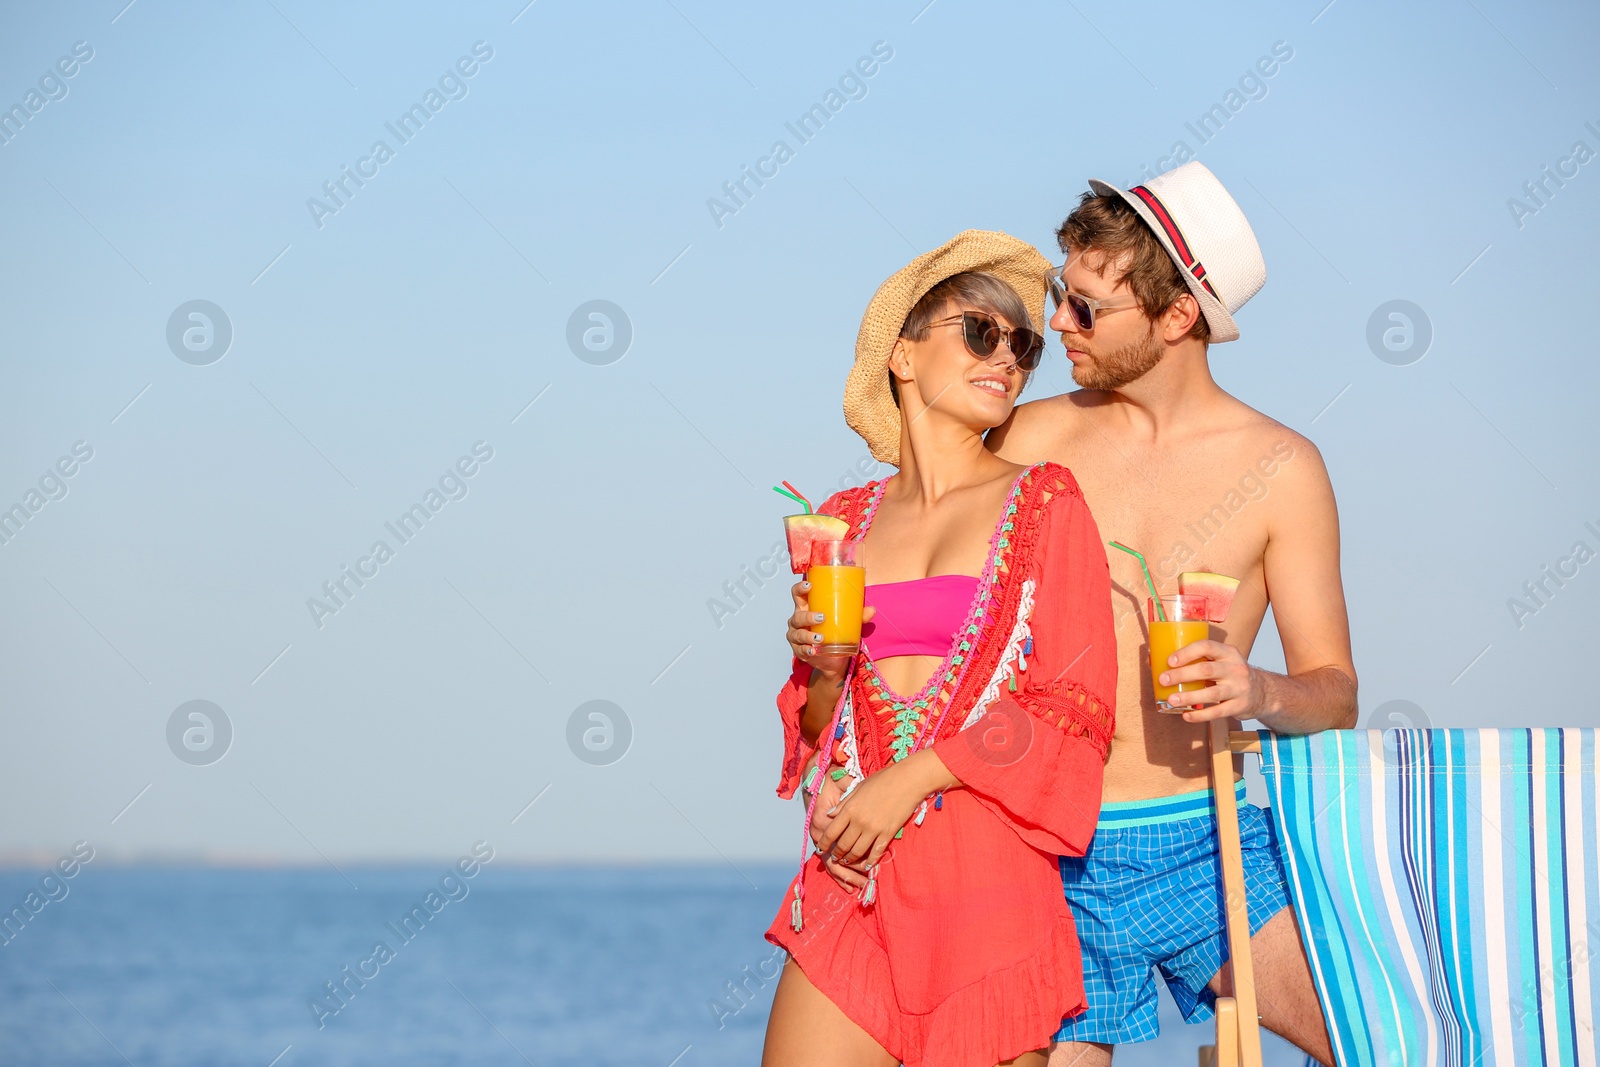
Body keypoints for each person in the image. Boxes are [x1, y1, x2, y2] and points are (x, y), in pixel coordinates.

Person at [786, 163, 1356, 1065]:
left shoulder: (1282, 467)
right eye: (1062, 299)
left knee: (1373, 1037)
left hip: (1201, 843)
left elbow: (1336, 691)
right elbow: (916, 517)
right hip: (1049, 861)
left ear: (1176, 319)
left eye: (1085, 310)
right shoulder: (1025, 437)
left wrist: (1257, 686)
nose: (1052, 327)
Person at [761, 230, 1119, 1067]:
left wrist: (911, 780)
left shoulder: (1043, 502)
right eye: (980, 332)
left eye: (1024, 345)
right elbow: (821, 725)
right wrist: (823, 664)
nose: (1010, 358)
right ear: (904, 356)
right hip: (853, 882)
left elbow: (1072, 707)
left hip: (986, 893)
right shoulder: (842, 519)